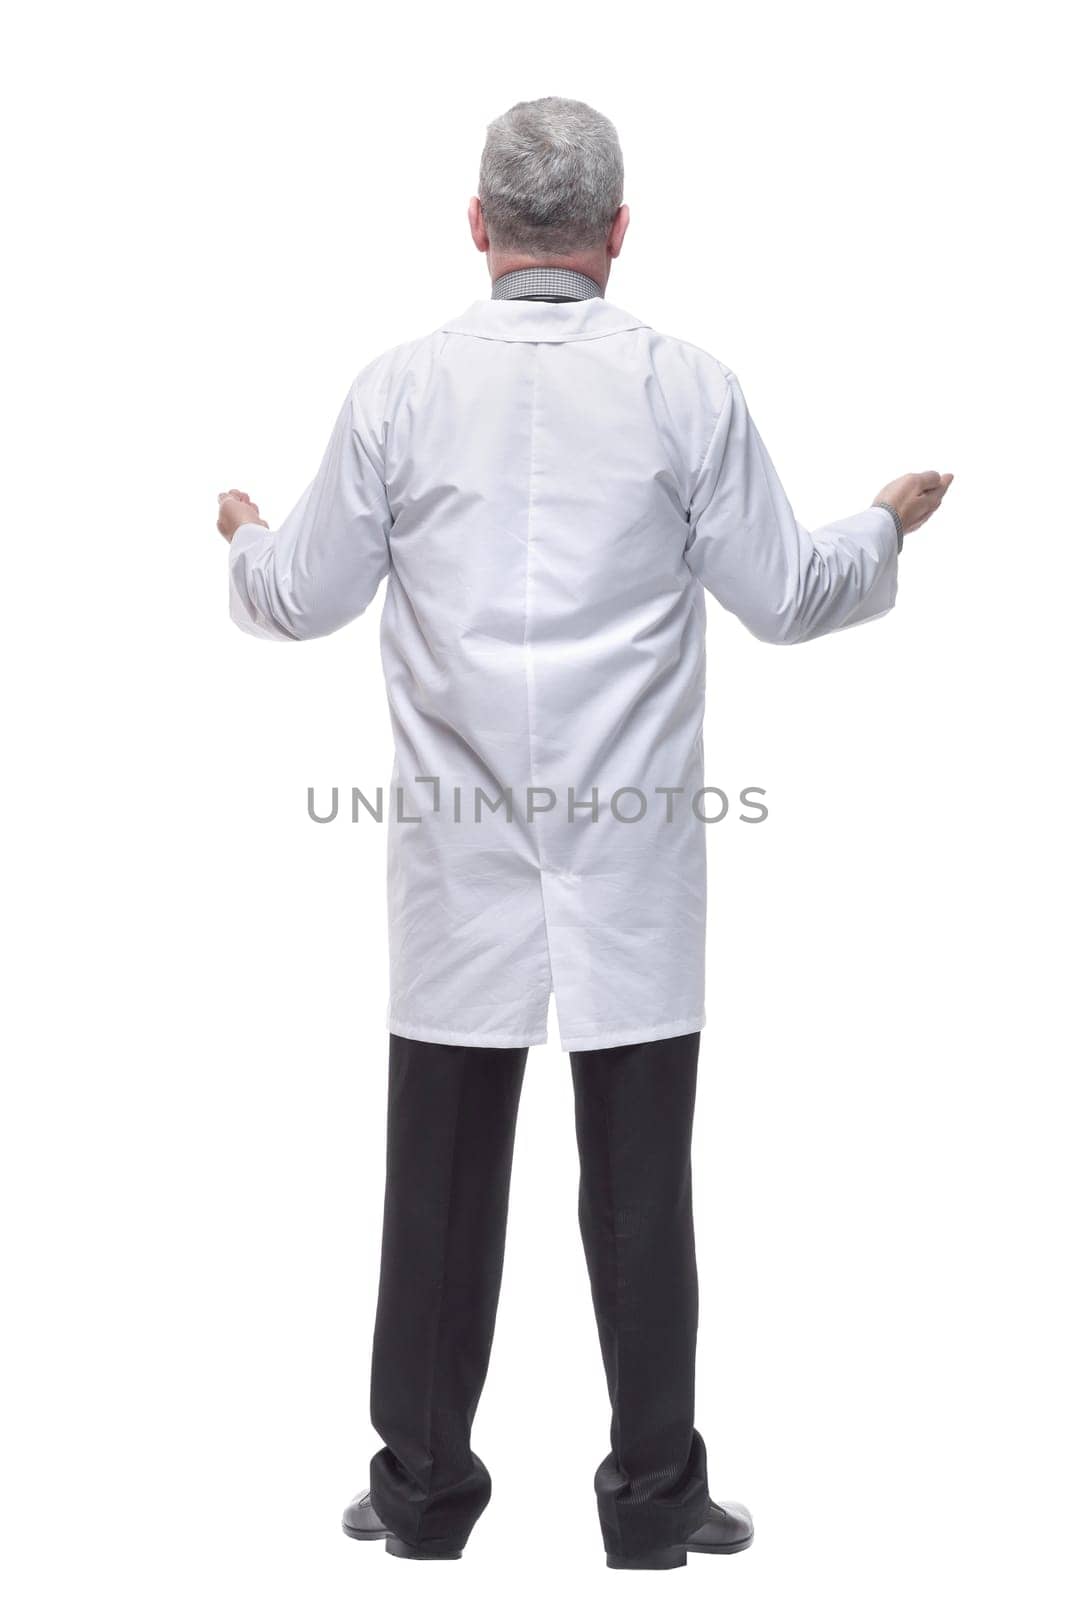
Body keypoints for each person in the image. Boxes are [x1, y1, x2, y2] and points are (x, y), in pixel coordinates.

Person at [217, 96, 952, 1570]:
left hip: (454, 862)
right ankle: (654, 1503)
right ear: (620, 232)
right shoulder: (685, 387)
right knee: (639, 1189)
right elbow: (789, 599)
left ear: (477, 227)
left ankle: (422, 1493)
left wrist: (239, 538)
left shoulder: (397, 392)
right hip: (629, 863)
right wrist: (882, 524)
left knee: (434, 1183)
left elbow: (298, 600)